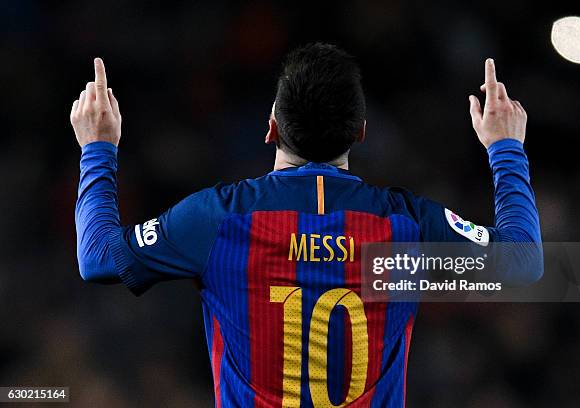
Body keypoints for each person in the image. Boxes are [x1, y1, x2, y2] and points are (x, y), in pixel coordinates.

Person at [71, 43, 541, 407]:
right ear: (360, 131)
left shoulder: (217, 218)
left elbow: (98, 258)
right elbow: (523, 263)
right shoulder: (404, 224)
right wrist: (505, 149)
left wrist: (97, 148)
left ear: (271, 126)